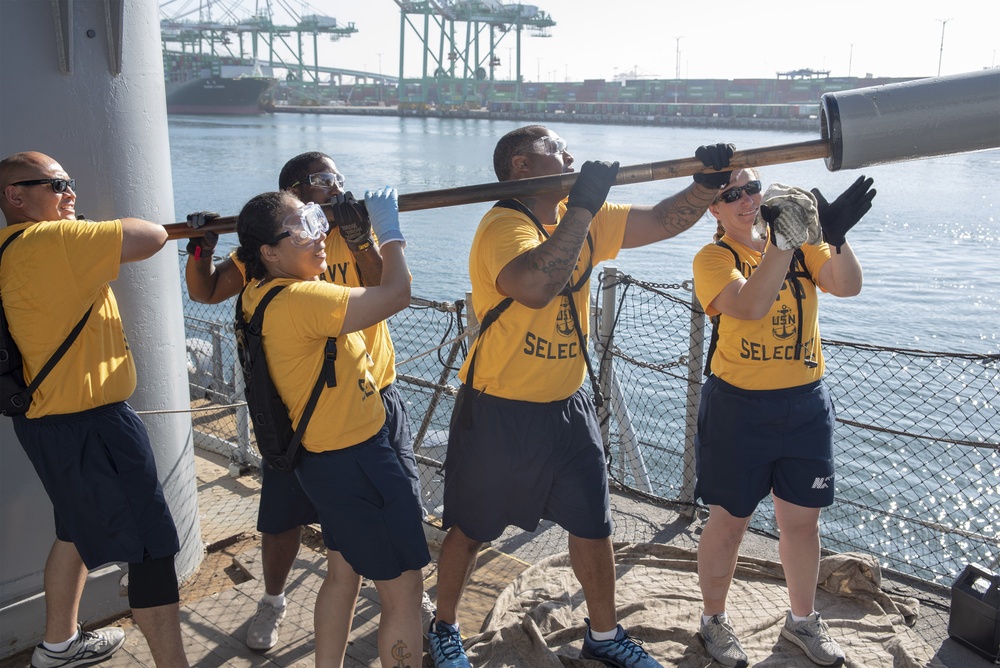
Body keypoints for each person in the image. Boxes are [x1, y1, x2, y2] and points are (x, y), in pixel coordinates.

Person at [426, 125, 736, 668]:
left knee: (594, 526)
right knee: (471, 529)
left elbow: (663, 219)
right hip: (499, 409)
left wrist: (705, 185)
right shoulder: (502, 225)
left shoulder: (583, 215)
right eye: (557, 150)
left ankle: (604, 633)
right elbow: (536, 283)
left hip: (567, 408)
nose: (570, 156)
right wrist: (585, 208)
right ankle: (444, 625)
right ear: (522, 166)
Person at [184, 151, 429, 651]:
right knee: (288, 522)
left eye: (338, 179)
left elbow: (376, 277)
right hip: (332, 430)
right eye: (321, 183)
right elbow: (207, 291)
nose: (335, 190)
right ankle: (278, 598)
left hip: (367, 398)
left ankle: (392, 575)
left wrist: (364, 235)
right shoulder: (286, 269)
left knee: (346, 566)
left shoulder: (311, 243)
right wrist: (200, 249)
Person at [0, 152, 192, 667]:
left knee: (75, 531)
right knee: (152, 551)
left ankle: (58, 646)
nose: (71, 193)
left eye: (71, 182)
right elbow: (149, 236)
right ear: (15, 196)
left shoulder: (8, 248)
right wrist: (80, 226)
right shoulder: (51, 240)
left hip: (44, 421)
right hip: (93, 426)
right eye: (57, 184)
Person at [691, 168, 875, 668]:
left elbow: (847, 285)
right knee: (729, 522)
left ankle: (801, 620)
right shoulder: (714, 258)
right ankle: (712, 619)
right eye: (732, 195)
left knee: (802, 522)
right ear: (714, 208)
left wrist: (834, 239)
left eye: (752, 188)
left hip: (804, 405)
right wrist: (784, 242)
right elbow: (749, 305)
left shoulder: (800, 245)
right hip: (739, 409)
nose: (747, 199)